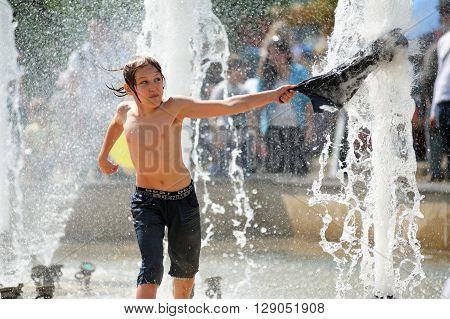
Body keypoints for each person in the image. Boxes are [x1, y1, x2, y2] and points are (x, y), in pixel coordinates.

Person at [97, 55, 297, 299]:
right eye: (145, 83)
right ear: (130, 89)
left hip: (182, 200)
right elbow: (116, 125)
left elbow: (229, 105)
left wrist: (272, 95)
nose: (154, 88)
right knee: (151, 269)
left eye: (158, 80)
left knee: (185, 271)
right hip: (146, 202)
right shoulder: (125, 111)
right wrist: (103, 155)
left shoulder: (175, 107)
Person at [258, 34, 313, 174]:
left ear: (286, 53)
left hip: (296, 127)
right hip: (273, 129)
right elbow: (257, 104)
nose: (276, 56)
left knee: (298, 170)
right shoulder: (266, 75)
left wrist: (309, 127)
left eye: (279, 52)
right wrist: (256, 132)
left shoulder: (299, 71)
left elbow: (308, 102)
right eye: (272, 53)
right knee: (274, 171)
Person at [209, 55, 258, 175]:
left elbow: (250, 114)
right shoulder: (220, 89)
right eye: (239, 70)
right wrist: (216, 136)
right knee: (221, 169)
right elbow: (210, 114)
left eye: (244, 70)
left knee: (243, 168)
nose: (242, 73)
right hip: (224, 133)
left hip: (241, 134)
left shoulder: (244, 90)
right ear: (230, 71)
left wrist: (255, 132)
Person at [430, 0, 450, 181]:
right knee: (446, 145)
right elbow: (440, 77)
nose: (445, 18)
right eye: (444, 14)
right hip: (444, 101)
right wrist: (434, 109)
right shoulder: (444, 41)